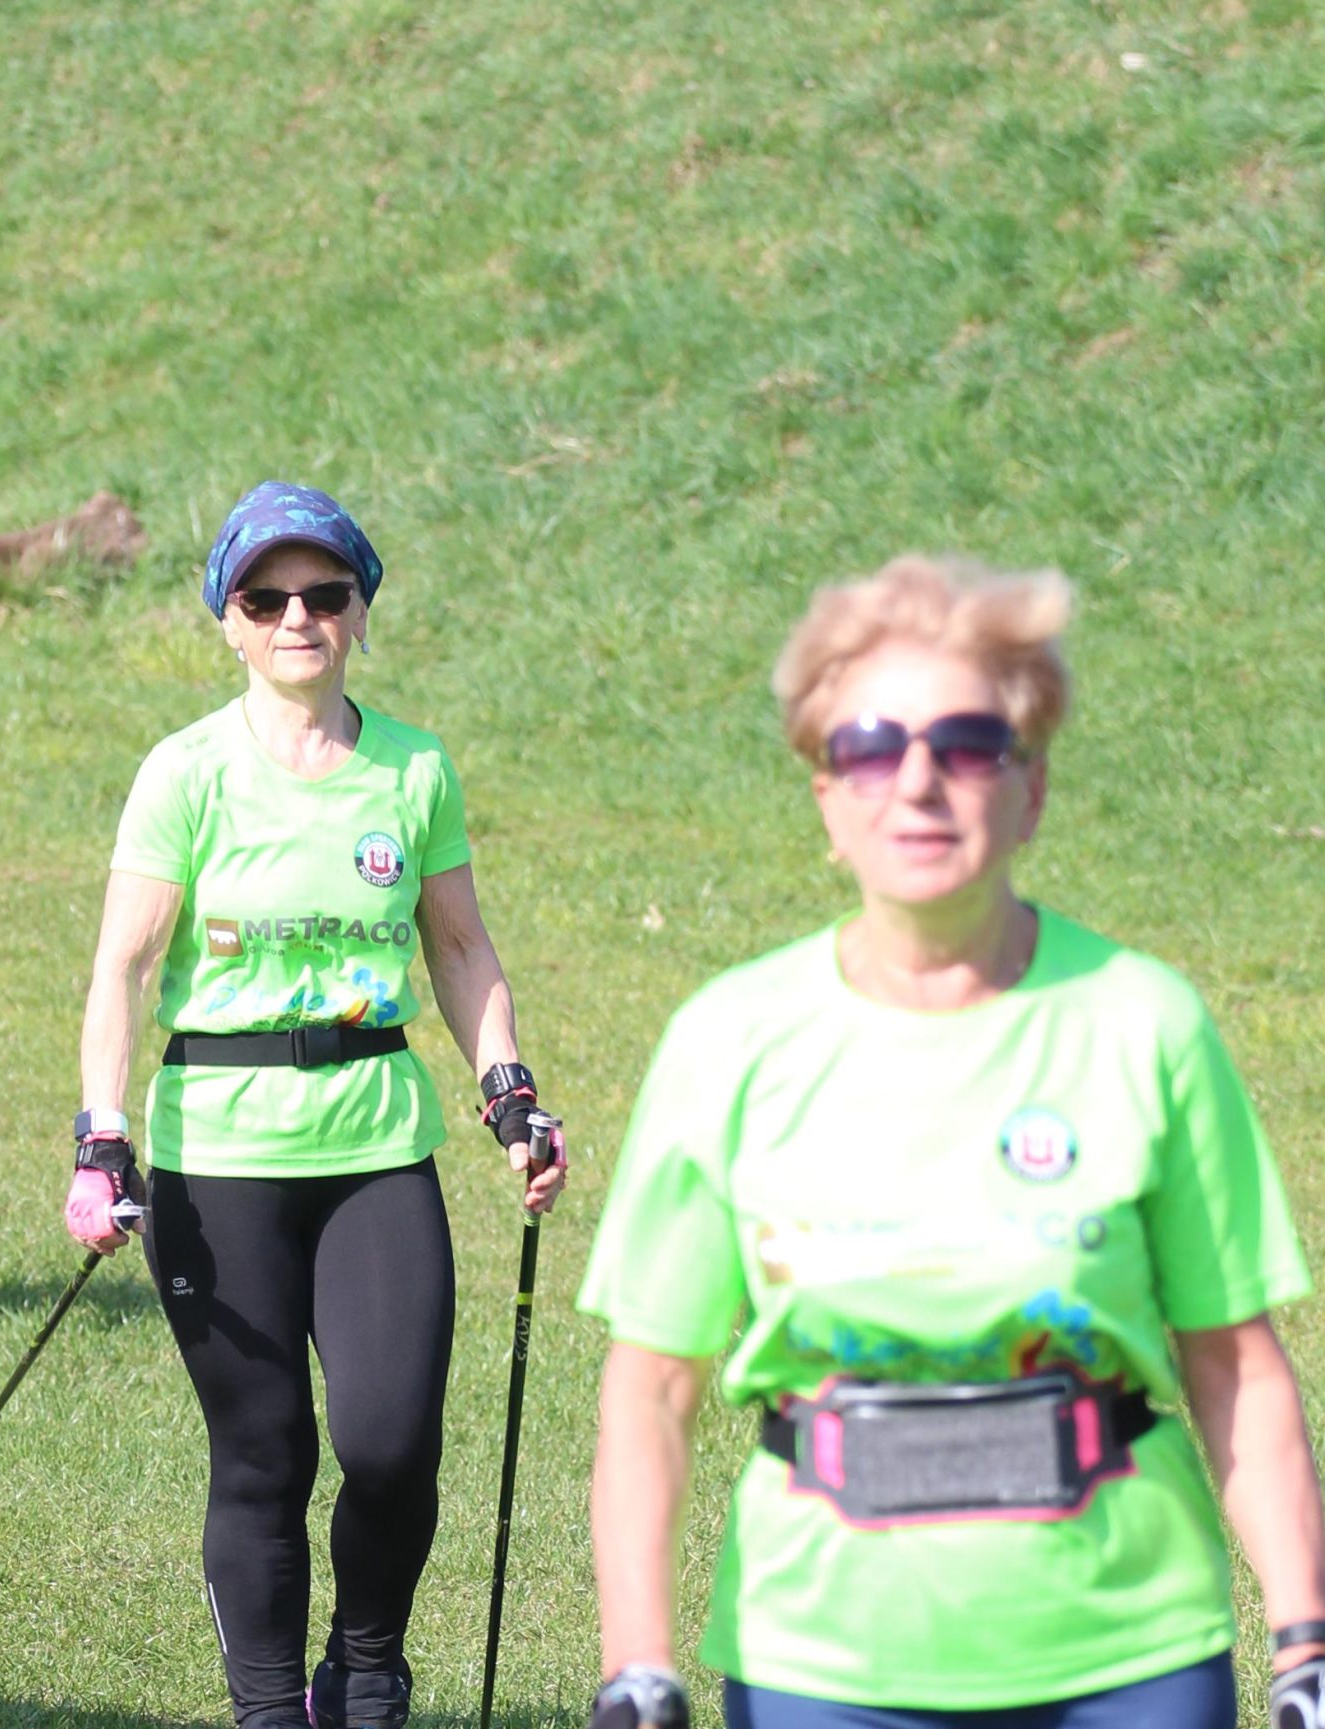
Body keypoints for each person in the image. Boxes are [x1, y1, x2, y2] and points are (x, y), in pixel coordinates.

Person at [578, 556, 1325, 1729]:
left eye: (969, 743)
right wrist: (637, 1660)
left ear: (1029, 790)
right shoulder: (730, 1041)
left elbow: (1234, 1361)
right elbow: (651, 1386)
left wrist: (1306, 1646)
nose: (917, 782)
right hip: (823, 1665)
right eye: (871, 748)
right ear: (825, 798)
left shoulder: (1144, 1022)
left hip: (1126, 1657)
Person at [69, 480, 568, 1729]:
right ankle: (266, 1708)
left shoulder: (413, 768)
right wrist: (101, 1134)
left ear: (357, 611)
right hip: (216, 1152)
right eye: (265, 597)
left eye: (322, 593)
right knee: (264, 1452)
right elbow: (125, 966)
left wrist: (509, 1092)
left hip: (377, 1147)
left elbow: (458, 950)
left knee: (393, 1445)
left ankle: (367, 1664)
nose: (297, 615)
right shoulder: (185, 772)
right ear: (227, 622)